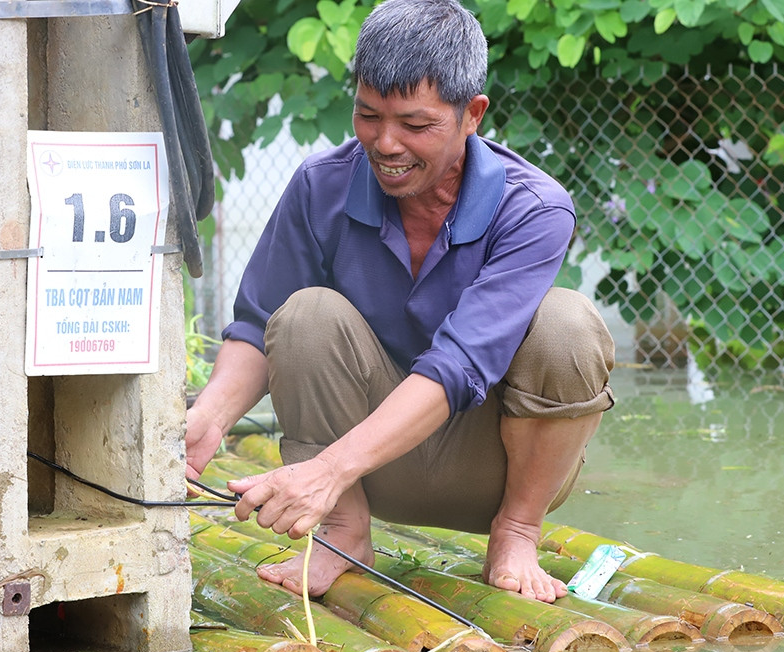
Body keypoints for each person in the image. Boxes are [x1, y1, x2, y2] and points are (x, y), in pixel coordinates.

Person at [185, 0, 615, 603]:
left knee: (568, 324)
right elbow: (257, 326)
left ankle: (517, 532)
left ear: (472, 115)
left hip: (489, 470)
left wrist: (325, 471)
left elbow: (460, 364)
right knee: (306, 314)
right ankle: (345, 532)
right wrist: (207, 421)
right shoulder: (320, 186)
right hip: (366, 471)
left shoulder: (535, 208)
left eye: (415, 126)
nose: (385, 143)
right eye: (367, 115)